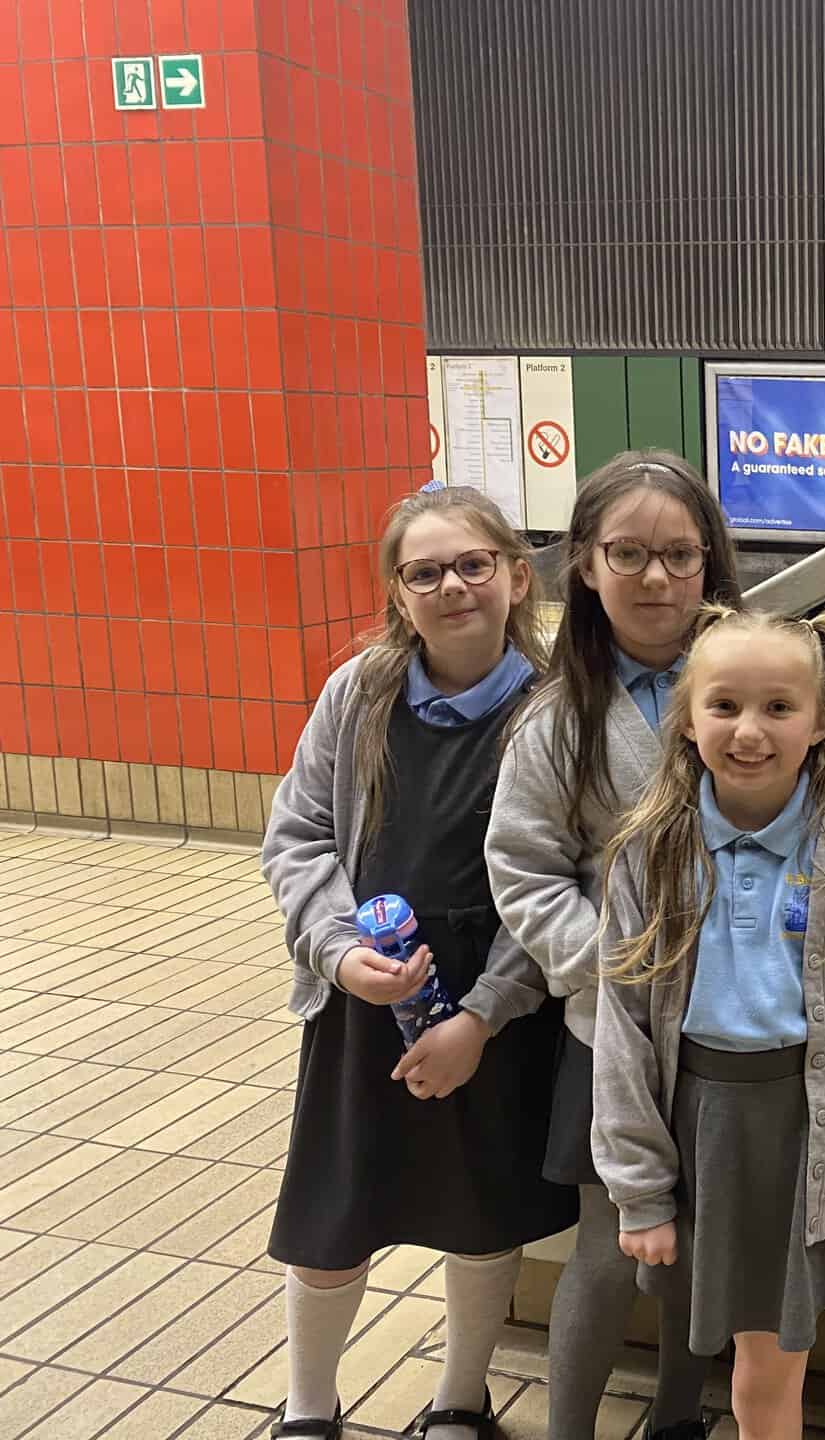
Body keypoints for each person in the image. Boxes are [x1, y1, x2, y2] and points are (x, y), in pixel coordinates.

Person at [261, 485, 575, 1440]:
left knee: (480, 1211)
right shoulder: (357, 695)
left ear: (516, 576)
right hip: (365, 993)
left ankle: (460, 1400)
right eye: (425, 572)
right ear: (398, 593)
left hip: (495, 1008)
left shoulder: (558, 708)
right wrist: (338, 951)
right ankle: (308, 1408)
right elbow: (297, 835)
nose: (452, 587)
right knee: (333, 1213)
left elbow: (573, 875)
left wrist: (483, 1014)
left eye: (473, 565)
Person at [592, 606, 825, 1440]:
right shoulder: (649, 851)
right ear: (687, 716)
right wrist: (641, 1191)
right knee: (750, 1359)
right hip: (701, 1133)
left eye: (779, 707)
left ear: (821, 723)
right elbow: (623, 1028)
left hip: (808, 1136)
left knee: (775, 1363)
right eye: (725, 705)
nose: (749, 731)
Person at [487, 451, 739, 1439]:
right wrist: (617, 966)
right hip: (612, 1026)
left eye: (680, 554)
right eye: (628, 553)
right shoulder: (559, 718)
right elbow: (523, 870)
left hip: (739, 1024)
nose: (656, 578)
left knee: (703, 1241)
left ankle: (678, 1419)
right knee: (609, 1244)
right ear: (584, 565)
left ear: (710, 561)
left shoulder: (753, 678)